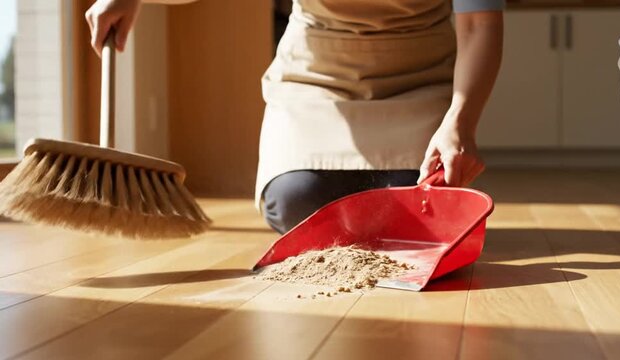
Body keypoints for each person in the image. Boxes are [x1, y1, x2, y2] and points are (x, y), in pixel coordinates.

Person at [86, 0, 504, 234]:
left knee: (420, 212)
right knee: (292, 201)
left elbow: (480, 25)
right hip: (317, 75)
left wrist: (459, 122)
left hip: (421, 75)